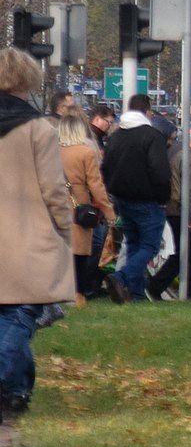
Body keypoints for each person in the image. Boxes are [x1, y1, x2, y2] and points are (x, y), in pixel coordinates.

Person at [0, 50, 73, 418]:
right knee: (20, 312)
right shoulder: (38, 129)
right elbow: (53, 189)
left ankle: (16, 388)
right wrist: (63, 227)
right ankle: (12, 386)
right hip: (25, 233)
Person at [100, 93, 171, 304]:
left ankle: (135, 293)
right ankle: (121, 277)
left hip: (122, 199)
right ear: (147, 111)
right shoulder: (151, 136)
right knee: (150, 245)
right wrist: (163, 197)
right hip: (148, 200)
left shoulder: (115, 136)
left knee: (133, 244)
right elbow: (160, 172)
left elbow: (105, 167)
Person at [149, 126, 191, 301]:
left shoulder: (183, 156)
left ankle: (155, 287)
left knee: (184, 254)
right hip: (186, 213)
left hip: (178, 211)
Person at [57, 111, 114, 307]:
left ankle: (57, 294)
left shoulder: (52, 150)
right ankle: (78, 294)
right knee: (80, 252)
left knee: (59, 250)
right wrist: (108, 210)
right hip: (78, 204)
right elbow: (96, 185)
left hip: (55, 202)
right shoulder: (85, 152)